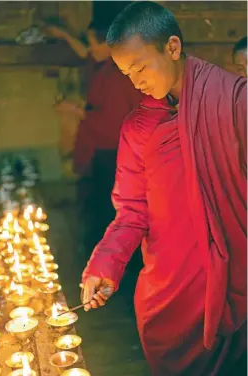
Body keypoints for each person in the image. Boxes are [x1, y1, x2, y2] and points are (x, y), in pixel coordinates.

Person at [80, 2, 247, 376]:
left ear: (172, 47)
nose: (135, 81)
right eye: (126, 72)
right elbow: (131, 210)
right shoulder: (139, 127)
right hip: (168, 286)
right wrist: (105, 263)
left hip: (232, 281)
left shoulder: (235, 102)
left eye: (140, 67)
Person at [48, 20, 142, 253]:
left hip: (114, 152)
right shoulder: (104, 66)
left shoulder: (119, 77)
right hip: (103, 149)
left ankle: (106, 258)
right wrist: (65, 34)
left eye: (94, 44)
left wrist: (75, 110)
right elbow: (86, 54)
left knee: (106, 207)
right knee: (97, 204)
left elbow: (113, 124)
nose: (90, 49)